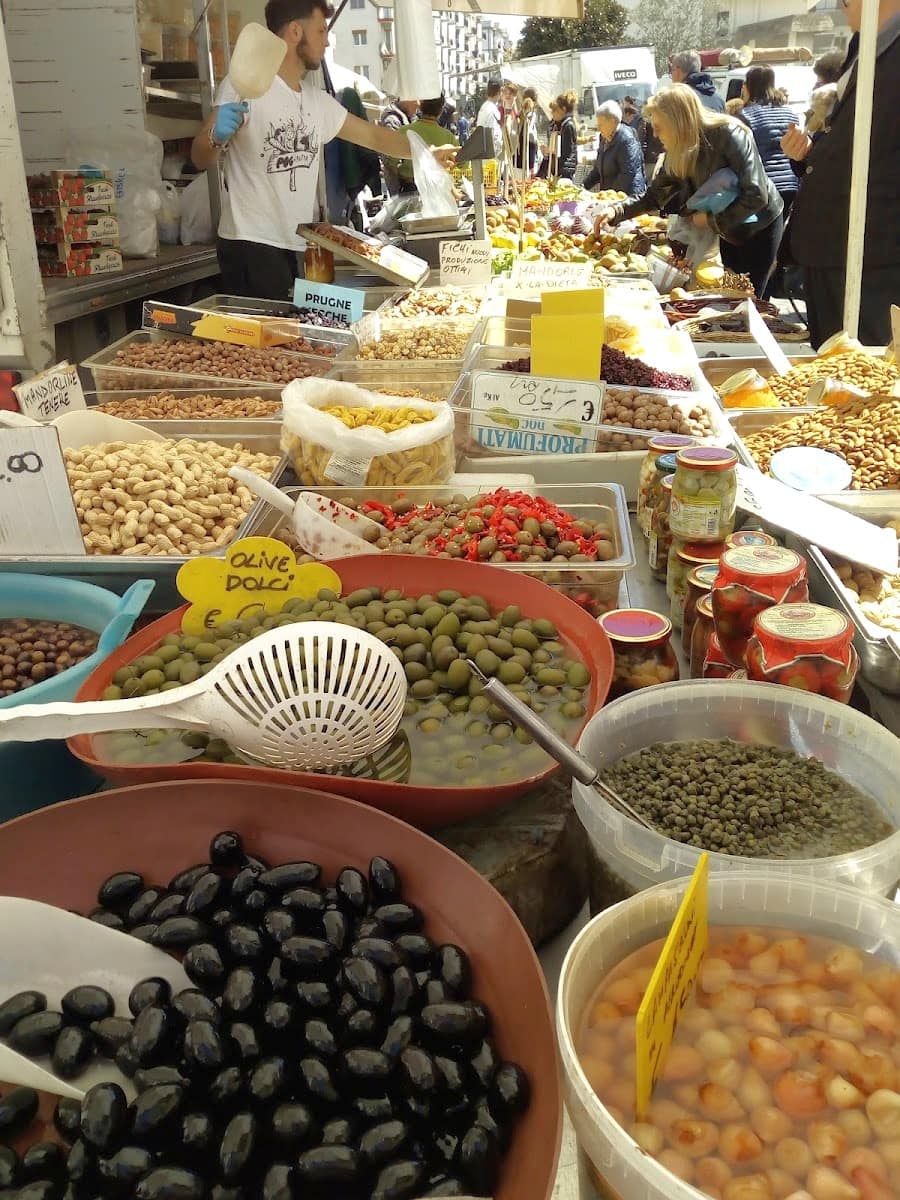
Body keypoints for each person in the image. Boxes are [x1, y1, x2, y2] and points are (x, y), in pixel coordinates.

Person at [191, 0, 455, 299]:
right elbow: (200, 156)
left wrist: (426, 154)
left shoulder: (317, 102)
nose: (327, 40)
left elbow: (375, 137)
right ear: (294, 31)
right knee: (267, 342)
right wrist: (215, 136)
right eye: (320, 31)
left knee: (295, 338)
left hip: (299, 244)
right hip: (251, 244)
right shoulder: (242, 88)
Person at [781, 0, 900, 347]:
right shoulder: (863, 45)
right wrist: (806, 154)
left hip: (875, 255)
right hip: (833, 248)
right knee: (832, 365)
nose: (841, 7)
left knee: (870, 378)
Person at [594, 84, 783, 297]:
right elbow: (655, 196)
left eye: (659, 126)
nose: (655, 134)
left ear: (678, 121)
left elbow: (756, 193)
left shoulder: (729, 134)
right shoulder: (678, 151)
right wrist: (616, 211)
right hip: (728, 230)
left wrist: (711, 221)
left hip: (759, 225)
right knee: (731, 293)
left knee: (752, 296)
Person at [739, 65, 798, 226]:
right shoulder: (790, 113)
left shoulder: (746, 116)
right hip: (791, 184)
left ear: (748, 86)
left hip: (764, 188)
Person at [583, 100, 646, 196]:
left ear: (612, 122)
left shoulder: (626, 139)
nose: (599, 128)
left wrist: (607, 196)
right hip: (611, 197)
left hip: (628, 198)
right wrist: (582, 187)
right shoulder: (604, 138)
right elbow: (597, 169)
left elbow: (627, 175)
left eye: (601, 124)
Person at [398, 95, 460, 189]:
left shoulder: (404, 131)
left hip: (409, 187)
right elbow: (462, 163)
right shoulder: (449, 137)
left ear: (420, 107)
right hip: (438, 188)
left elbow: (390, 163)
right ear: (441, 110)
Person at [380, 97, 418, 195]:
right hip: (402, 186)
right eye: (415, 100)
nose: (418, 103)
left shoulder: (411, 117)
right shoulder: (392, 121)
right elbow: (390, 161)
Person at [537, 91, 579, 179]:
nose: (552, 113)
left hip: (564, 172)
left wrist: (549, 150)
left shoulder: (568, 126)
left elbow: (567, 153)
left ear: (563, 109)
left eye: (554, 110)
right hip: (553, 168)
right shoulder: (554, 124)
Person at [477, 79, 503, 158]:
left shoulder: (485, 107)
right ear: (499, 92)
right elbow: (492, 133)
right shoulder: (493, 110)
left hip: (484, 150)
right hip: (491, 153)